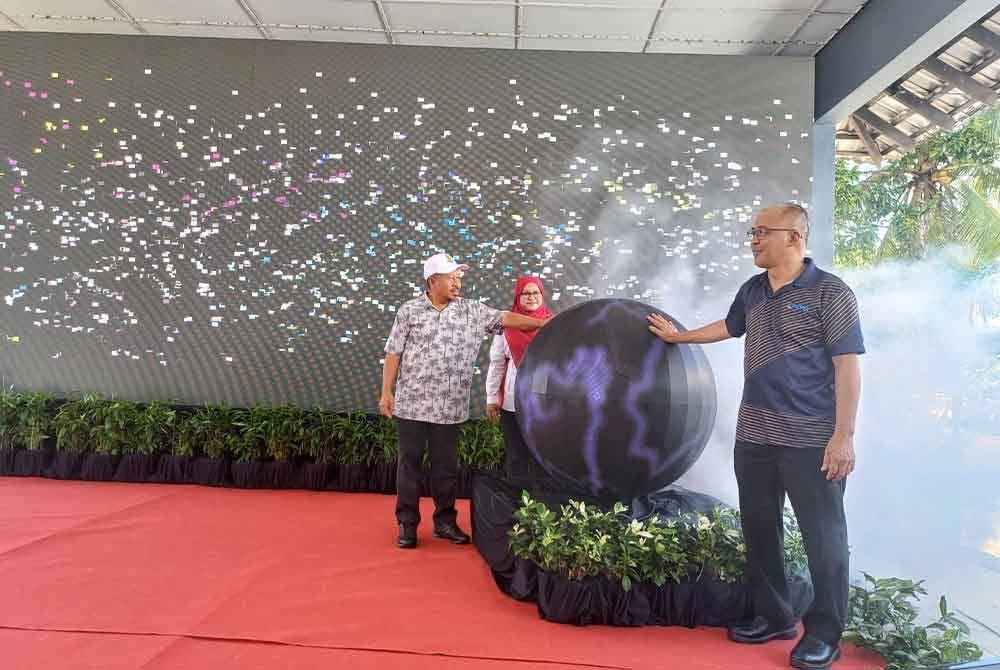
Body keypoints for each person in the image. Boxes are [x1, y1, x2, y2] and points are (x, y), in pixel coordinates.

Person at [647, 204, 863, 670]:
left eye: (763, 232)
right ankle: (774, 616)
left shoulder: (831, 292)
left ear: (795, 237)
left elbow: (848, 366)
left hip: (812, 441)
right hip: (756, 438)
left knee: (823, 537)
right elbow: (729, 327)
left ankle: (824, 634)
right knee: (759, 529)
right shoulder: (753, 290)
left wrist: (843, 437)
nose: (753, 239)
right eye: (752, 231)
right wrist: (677, 338)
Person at [380, 253, 548, 550]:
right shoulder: (409, 311)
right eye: (451, 278)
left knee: (445, 468)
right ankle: (407, 525)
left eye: (459, 278)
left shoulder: (472, 310)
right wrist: (386, 392)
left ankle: (444, 522)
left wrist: (544, 323)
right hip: (412, 405)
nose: (457, 283)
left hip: (450, 408)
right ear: (433, 281)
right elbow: (393, 352)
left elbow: (507, 318)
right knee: (409, 466)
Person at [484, 276, 553, 488]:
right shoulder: (505, 326)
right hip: (513, 403)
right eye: (526, 293)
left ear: (542, 296)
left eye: (536, 293)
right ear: (518, 297)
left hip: (546, 404)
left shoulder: (555, 324)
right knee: (517, 457)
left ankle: (544, 513)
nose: (531, 297)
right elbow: (497, 364)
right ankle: (519, 510)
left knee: (544, 457)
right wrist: (492, 397)